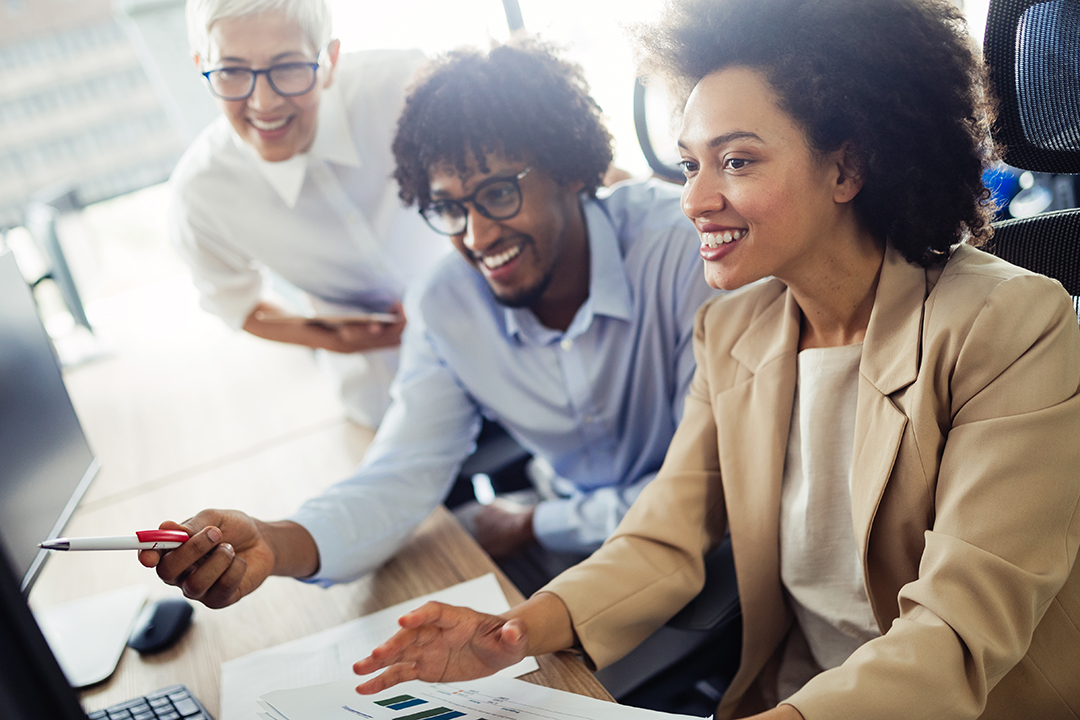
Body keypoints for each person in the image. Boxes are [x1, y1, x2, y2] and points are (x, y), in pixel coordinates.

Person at [351, 0, 1080, 718]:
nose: (695, 199)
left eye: (736, 161)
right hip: (791, 693)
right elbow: (662, 539)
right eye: (688, 164)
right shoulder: (736, 329)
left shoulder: (1012, 326)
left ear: (847, 168)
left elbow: (955, 637)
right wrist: (513, 633)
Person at [140, 40, 718, 607]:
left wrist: (535, 523)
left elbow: (706, 488)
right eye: (451, 209)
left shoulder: (685, 253)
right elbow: (399, 473)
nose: (477, 237)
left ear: (567, 168)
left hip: (713, 559)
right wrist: (272, 542)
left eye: (497, 193)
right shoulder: (448, 304)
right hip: (588, 551)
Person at [170, 0, 445, 428]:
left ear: (330, 60)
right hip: (385, 390)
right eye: (232, 70)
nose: (263, 102)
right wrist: (332, 338)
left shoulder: (404, 87)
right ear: (201, 66)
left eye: (288, 66)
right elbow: (236, 304)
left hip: (514, 342)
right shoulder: (202, 194)